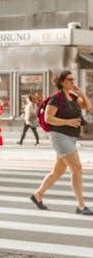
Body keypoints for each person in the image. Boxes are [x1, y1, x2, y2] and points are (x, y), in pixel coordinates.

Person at [31, 71, 92, 215]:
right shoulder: (55, 99)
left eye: (73, 79)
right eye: (69, 79)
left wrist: (82, 93)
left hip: (71, 137)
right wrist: (68, 122)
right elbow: (48, 118)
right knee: (77, 168)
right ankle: (81, 206)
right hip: (59, 136)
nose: (72, 81)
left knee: (58, 171)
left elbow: (88, 107)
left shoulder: (72, 97)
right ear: (62, 82)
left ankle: (38, 195)